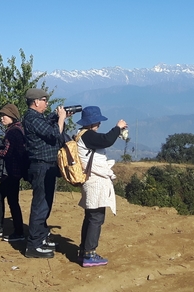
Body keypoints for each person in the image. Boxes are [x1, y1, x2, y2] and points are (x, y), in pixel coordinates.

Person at [74, 106, 127, 267]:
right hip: (95, 181)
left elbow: (103, 140)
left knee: (91, 216)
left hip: (89, 181)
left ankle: (84, 250)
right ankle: (90, 254)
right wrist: (118, 127)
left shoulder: (81, 135)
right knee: (96, 217)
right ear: (93, 122)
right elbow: (106, 140)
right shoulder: (88, 135)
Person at [21, 88, 68, 259]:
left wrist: (58, 117)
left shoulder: (37, 118)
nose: (47, 103)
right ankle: (33, 245)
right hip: (41, 167)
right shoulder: (32, 118)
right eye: (44, 100)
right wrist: (61, 119)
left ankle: (41, 236)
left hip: (46, 167)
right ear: (36, 102)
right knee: (40, 205)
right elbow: (54, 133)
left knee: (46, 204)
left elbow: (48, 126)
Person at [0, 104, 28, 242]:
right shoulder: (19, 129)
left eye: (4, 115)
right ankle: (15, 229)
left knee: (1, 197)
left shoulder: (12, 132)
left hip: (10, 171)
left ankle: (1, 228)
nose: (1, 118)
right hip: (15, 172)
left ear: (12, 117)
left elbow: (7, 152)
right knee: (11, 200)